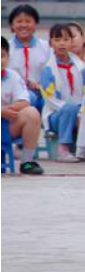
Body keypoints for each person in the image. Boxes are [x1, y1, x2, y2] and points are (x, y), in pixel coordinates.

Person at [41, 24, 85, 162]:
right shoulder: (48, 69)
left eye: (66, 39)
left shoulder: (82, 67)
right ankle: (63, 148)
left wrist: (81, 111)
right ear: (50, 43)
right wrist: (70, 110)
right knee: (69, 108)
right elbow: (50, 99)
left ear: (71, 42)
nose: (61, 43)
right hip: (56, 114)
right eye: (57, 39)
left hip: (80, 110)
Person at [1, 36, 44, 175]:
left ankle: (27, 161)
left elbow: (24, 100)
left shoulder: (13, 76)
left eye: (2, 56)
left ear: (8, 57)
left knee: (31, 113)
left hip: (7, 126)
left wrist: (9, 110)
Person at [8, 4, 50, 110]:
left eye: (28, 21)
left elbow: (53, 72)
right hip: (16, 96)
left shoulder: (46, 47)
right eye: (19, 21)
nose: (23, 25)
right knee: (30, 98)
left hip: (43, 92)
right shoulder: (6, 48)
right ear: (12, 25)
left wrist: (40, 86)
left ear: (35, 24)